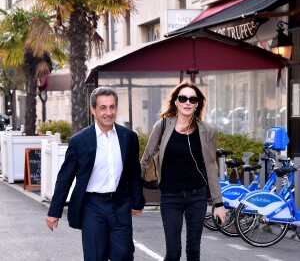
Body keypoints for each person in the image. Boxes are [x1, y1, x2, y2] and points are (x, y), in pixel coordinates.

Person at [46, 86, 145, 261]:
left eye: (112, 107)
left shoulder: (128, 137)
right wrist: (55, 211)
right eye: (103, 108)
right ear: (93, 110)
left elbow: (134, 172)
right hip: (92, 206)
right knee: (95, 256)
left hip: (120, 204)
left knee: (123, 255)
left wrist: (137, 201)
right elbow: (65, 178)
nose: (108, 112)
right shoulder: (79, 141)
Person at [141, 81, 226, 261]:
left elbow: (211, 167)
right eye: (183, 98)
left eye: (192, 99)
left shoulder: (207, 131)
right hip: (170, 197)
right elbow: (146, 159)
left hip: (197, 196)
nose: (187, 102)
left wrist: (218, 204)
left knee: (193, 252)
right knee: (173, 253)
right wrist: (133, 195)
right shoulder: (162, 126)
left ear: (197, 104)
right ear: (176, 102)